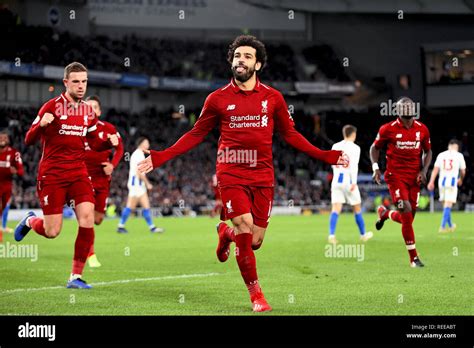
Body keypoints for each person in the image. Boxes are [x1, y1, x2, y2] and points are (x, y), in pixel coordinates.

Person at [137, 35, 346, 312]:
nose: (241, 60)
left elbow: (291, 135)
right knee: (245, 227)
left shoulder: (273, 99)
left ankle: (225, 233)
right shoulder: (217, 99)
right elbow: (196, 133)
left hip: (263, 175)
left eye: (247, 56)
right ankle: (256, 296)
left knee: (255, 241)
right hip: (230, 171)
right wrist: (162, 155)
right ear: (231, 61)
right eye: (237, 56)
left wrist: (326, 155)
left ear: (257, 64)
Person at [14, 62, 118, 288]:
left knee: (88, 218)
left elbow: (94, 143)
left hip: (79, 173)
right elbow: (28, 140)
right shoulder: (50, 107)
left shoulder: (87, 112)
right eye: (76, 82)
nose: (81, 86)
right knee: (53, 232)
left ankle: (75, 277)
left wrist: (107, 143)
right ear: (66, 83)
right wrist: (41, 125)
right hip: (52, 175)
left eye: (84, 82)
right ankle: (31, 221)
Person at [370, 97, 432, 268]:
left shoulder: (422, 129)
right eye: (404, 107)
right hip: (395, 176)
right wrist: (376, 168)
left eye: (410, 106)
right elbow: (374, 148)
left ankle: (385, 214)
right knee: (405, 209)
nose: (408, 109)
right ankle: (414, 258)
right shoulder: (387, 129)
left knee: (408, 219)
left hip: (414, 178)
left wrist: (424, 170)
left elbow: (428, 151)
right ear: (397, 110)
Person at [84, 95, 124, 267]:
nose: (91, 109)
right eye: (88, 106)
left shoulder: (108, 128)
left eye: (94, 106)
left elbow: (120, 148)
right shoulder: (76, 128)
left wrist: (112, 165)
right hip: (83, 177)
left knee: (98, 219)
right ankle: (90, 253)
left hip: (103, 179)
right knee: (86, 215)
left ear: (99, 111)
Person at [328, 125, 373, 244]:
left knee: (336, 209)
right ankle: (363, 234)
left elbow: (332, 163)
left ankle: (331, 235)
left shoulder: (335, 146)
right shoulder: (355, 148)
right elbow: (354, 165)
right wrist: (354, 182)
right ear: (353, 134)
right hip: (348, 181)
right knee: (357, 208)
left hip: (336, 180)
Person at [117, 137, 164, 234]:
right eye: (147, 142)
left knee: (144, 206)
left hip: (137, 184)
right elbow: (139, 172)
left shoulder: (137, 154)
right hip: (136, 184)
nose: (148, 144)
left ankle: (152, 227)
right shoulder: (139, 155)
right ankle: (121, 226)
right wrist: (148, 184)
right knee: (131, 206)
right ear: (141, 143)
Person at [427, 139, 466, 233]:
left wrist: (431, 182)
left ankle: (451, 225)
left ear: (449, 146)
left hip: (442, 182)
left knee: (445, 204)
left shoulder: (441, 155)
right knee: (448, 204)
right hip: (452, 182)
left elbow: (435, 169)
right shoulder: (459, 155)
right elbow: (463, 171)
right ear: (456, 147)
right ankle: (442, 227)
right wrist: (460, 179)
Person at [0, 131, 24, 241]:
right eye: (0, 137)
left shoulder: (14, 153)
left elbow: (21, 171)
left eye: (5, 137)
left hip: (7, 184)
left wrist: (15, 171)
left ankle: (3, 227)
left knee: (6, 205)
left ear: (8, 140)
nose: (2, 139)